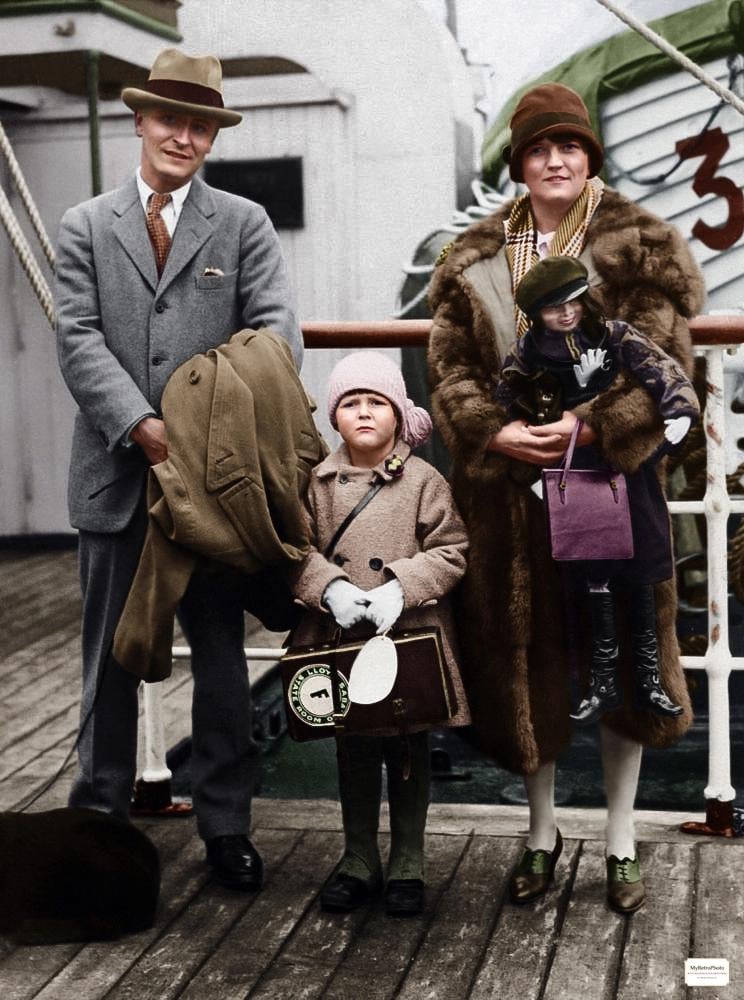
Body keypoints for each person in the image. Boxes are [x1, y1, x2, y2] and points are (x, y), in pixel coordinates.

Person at [427, 82, 705, 914]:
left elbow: (664, 360)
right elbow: (449, 370)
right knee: (529, 660)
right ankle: (541, 831)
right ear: (519, 163)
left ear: (590, 157)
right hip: (511, 494)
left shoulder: (640, 244)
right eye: (540, 149)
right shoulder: (471, 255)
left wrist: (588, 427)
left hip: (612, 485)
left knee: (626, 659)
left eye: (571, 146)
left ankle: (621, 836)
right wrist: (492, 432)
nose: (556, 159)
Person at [55, 48, 302, 892]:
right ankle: (99, 820)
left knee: (224, 659)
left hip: (217, 490)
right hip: (118, 480)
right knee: (108, 660)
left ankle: (226, 824)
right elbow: (79, 339)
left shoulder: (243, 225)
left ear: (212, 135)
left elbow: (275, 340)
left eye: (200, 125)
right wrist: (141, 424)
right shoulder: (85, 225)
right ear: (141, 120)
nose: (184, 137)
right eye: (170, 119)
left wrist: (199, 434)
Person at [289, 352, 469, 916]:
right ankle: (359, 857)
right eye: (350, 403)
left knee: (409, 743)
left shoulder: (423, 480)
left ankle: (409, 860)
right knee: (355, 743)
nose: (363, 413)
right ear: (333, 417)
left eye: (376, 403)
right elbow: (295, 551)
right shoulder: (316, 483)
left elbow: (453, 549)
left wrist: (402, 585)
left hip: (407, 631)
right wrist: (331, 588)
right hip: (341, 634)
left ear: (398, 412)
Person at [497, 255, 700, 724]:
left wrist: (679, 413)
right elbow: (508, 409)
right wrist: (572, 404)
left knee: (646, 571)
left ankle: (649, 681)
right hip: (576, 479)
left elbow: (664, 374)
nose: (566, 314)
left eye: (571, 302)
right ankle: (602, 681)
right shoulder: (525, 355)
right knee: (595, 578)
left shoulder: (615, 335)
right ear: (536, 314)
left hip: (628, 471)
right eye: (552, 309)